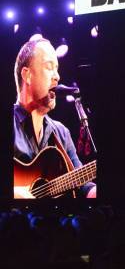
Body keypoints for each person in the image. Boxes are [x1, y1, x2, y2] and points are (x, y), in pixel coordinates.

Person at [13, 38, 96, 198]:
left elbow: (82, 183)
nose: (57, 76)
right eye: (49, 67)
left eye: (57, 69)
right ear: (27, 75)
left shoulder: (61, 132)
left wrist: (94, 191)